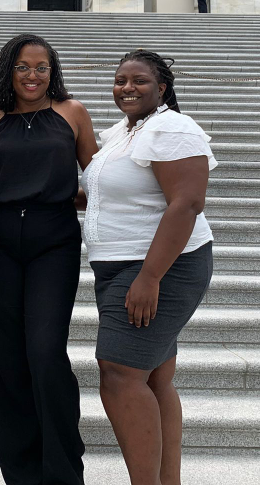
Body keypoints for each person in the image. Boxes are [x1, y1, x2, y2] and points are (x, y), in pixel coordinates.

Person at [82, 49, 216, 485]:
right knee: (155, 376)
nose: (127, 87)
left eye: (139, 80)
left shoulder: (171, 127)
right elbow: (111, 196)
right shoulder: (123, 132)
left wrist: (150, 277)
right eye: (120, 80)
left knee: (119, 374)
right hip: (121, 265)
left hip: (160, 265)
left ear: (162, 88)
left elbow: (188, 203)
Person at [0, 34, 98, 485]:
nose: (33, 75)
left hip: (54, 239)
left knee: (45, 352)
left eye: (42, 67)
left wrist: (75, 194)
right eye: (24, 67)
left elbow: (99, 176)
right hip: (2, 239)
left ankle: (64, 471)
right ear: (9, 69)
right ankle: (21, 472)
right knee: (6, 358)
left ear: (54, 71)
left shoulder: (73, 113)